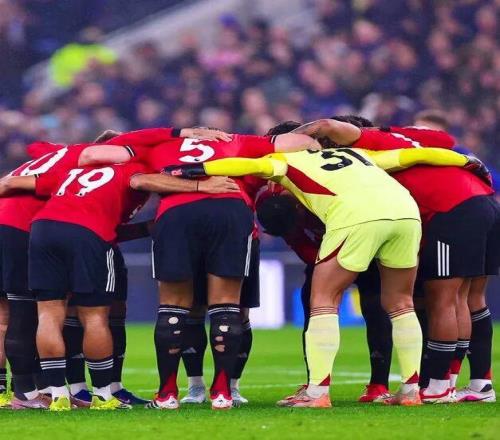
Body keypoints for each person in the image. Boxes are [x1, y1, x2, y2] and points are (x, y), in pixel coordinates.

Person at [114, 127, 320, 410]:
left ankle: (167, 395)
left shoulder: (160, 145)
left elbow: (114, 154)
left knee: (174, 307)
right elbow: (303, 142)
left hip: (176, 215)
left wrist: (172, 134)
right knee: (228, 306)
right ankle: (223, 393)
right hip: (230, 214)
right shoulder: (238, 141)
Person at [293, 116, 496, 403]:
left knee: (442, 298)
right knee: (469, 297)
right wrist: (466, 161)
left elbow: (326, 124)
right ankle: (477, 385)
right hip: (483, 200)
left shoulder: (364, 150)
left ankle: (439, 387)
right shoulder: (405, 138)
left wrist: (289, 138)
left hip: (450, 207)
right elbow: (444, 139)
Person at [255, 186, 392, 404]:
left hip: (363, 246)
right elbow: (299, 243)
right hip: (322, 253)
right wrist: (325, 266)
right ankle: (315, 384)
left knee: (375, 306)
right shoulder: (272, 205)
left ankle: (379, 385)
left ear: (300, 207)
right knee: (313, 305)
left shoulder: (323, 192)